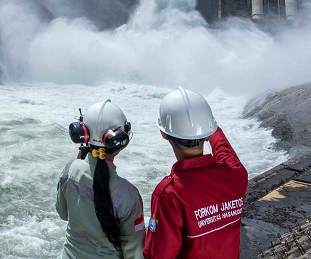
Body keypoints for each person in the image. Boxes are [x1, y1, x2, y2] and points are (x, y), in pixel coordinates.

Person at [144, 87, 248, 259]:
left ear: (163, 133)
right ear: (208, 134)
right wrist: (209, 125)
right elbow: (225, 151)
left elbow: (158, 255)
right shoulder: (236, 175)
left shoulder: (170, 194)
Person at [57, 99, 145, 259]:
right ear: (120, 140)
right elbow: (134, 254)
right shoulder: (128, 194)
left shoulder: (70, 170)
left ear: (83, 133)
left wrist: (79, 160)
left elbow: (64, 214)